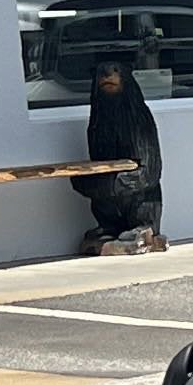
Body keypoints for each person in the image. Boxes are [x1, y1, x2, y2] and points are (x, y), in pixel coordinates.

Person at [74, 56, 165, 254]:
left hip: (139, 194)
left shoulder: (140, 120)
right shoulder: (97, 123)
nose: (107, 76)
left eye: (114, 71)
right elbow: (98, 163)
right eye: (102, 74)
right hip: (112, 195)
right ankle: (108, 227)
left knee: (142, 199)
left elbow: (150, 170)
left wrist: (115, 184)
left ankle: (143, 226)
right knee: (96, 188)